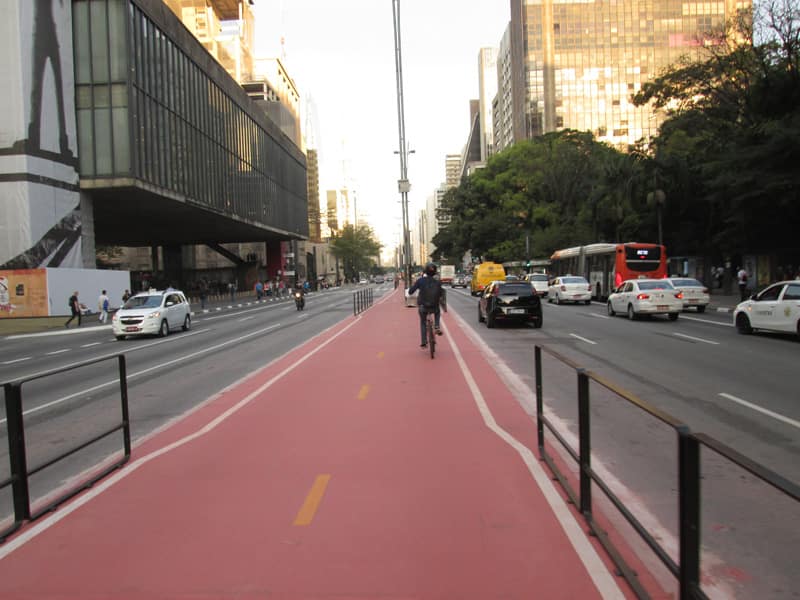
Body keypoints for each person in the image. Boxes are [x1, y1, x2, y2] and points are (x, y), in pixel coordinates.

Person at [408, 262, 447, 348]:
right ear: (435, 272)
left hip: (423, 307)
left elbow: (410, 292)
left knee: (423, 322)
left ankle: (424, 342)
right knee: (437, 312)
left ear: (425, 271)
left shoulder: (420, 281)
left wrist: (414, 286)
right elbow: (441, 295)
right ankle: (437, 326)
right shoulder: (438, 282)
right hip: (434, 307)